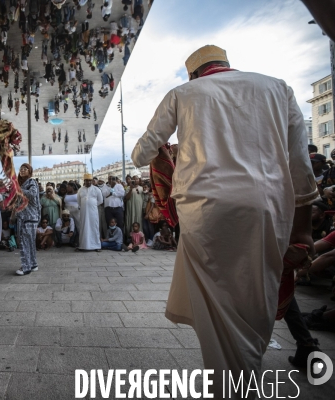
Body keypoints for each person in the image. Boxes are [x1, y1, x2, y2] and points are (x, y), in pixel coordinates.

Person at [131, 44, 317, 395]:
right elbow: (300, 166)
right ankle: (243, 376)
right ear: (225, 64)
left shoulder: (182, 93)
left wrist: (166, 154)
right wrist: (304, 230)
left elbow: (142, 152)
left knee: (218, 309)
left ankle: (233, 386)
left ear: (193, 73)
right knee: (255, 303)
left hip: (204, 213)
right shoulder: (278, 88)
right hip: (268, 209)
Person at [15, 163, 40, 275]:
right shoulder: (21, 183)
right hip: (24, 217)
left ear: (30, 171)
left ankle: (26, 267)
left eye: (25, 169)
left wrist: (19, 190)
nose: (22, 170)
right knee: (29, 243)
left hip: (29, 217)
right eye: (21, 169)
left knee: (25, 243)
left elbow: (32, 194)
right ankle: (33, 264)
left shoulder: (31, 182)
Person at [76, 173, 103, 252]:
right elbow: (78, 201)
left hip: (93, 212)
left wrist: (93, 205)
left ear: (92, 181)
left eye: (89, 181)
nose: (88, 182)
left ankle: (96, 246)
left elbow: (100, 200)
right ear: (84, 181)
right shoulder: (80, 190)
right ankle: (83, 245)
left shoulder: (96, 189)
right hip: (84, 212)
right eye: (86, 181)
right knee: (84, 227)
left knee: (94, 227)